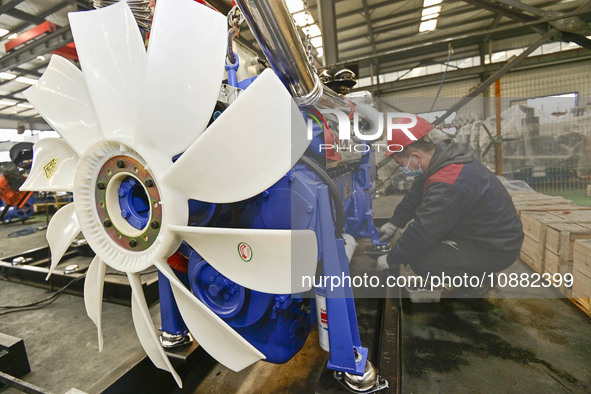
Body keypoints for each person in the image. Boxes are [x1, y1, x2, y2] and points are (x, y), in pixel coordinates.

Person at [376, 116, 524, 284]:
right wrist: (395, 222)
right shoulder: (441, 159)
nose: (401, 168)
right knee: (418, 243)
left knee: (422, 261)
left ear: (416, 157)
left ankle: (481, 282)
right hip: (480, 231)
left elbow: (425, 228)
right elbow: (415, 195)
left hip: (496, 247)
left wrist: (392, 259)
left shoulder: (447, 180)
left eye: (400, 163)